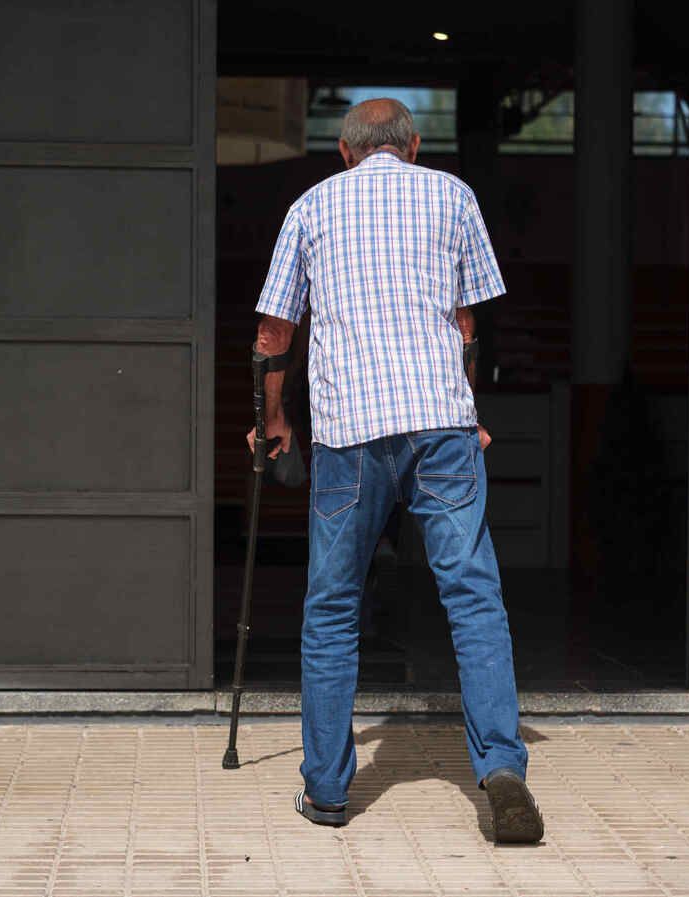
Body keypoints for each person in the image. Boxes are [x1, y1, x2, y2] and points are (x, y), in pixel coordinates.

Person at [246, 98, 543, 843]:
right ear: (411, 145)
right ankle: (503, 770)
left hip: (350, 433)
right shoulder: (454, 195)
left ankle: (326, 790)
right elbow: (468, 322)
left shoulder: (311, 206)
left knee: (333, 606)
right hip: (439, 425)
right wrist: (465, 404)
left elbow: (273, 330)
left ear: (345, 153)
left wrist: (274, 417)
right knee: (473, 596)